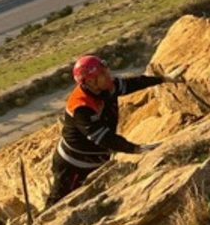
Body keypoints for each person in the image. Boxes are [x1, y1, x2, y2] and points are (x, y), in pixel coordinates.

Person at [46, 55, 184, 208]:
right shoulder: (81, 107)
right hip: (73, 164)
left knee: (91, 203)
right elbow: (102, 137)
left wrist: (163, 79)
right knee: (59, 203)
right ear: (91, 81)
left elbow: (133, 83)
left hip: (94, 160)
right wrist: (134, 148)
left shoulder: (106, 87)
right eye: (102, 74)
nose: (108, 76)